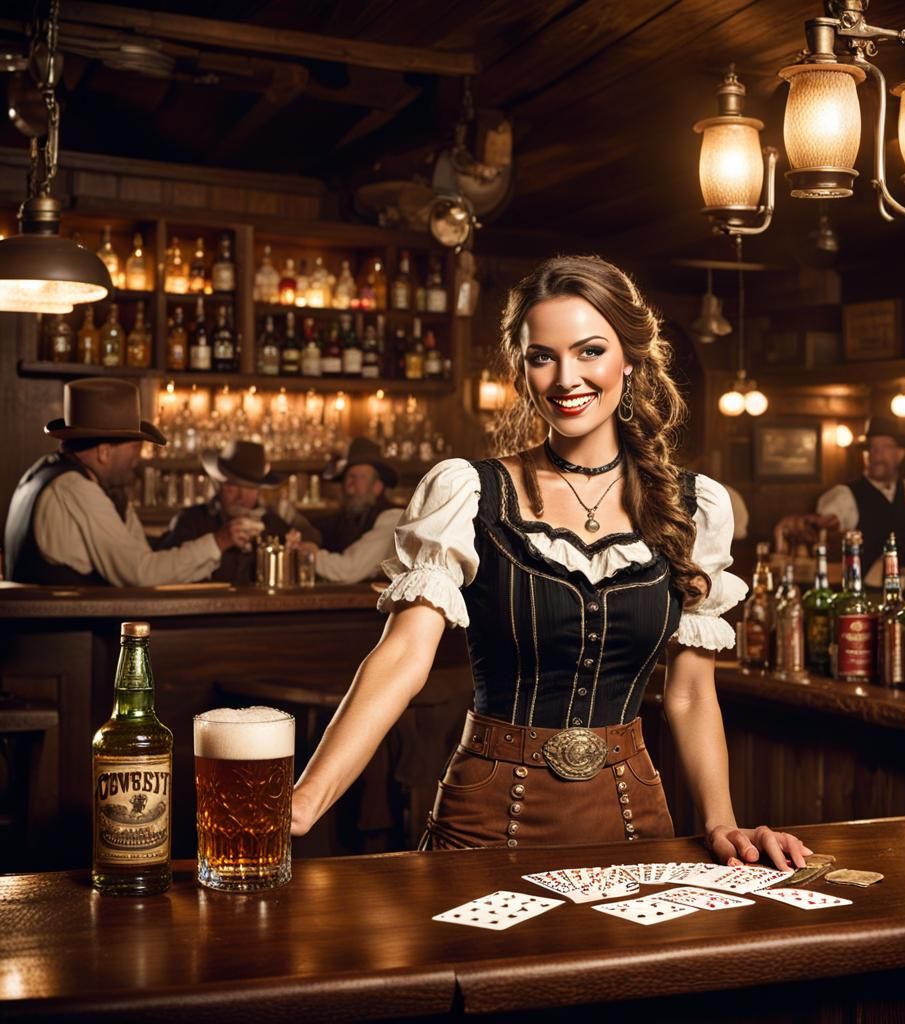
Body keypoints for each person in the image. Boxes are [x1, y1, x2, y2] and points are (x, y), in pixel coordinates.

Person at [291, 255, 812, 870]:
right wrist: (303, 802)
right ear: (522, 368)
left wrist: (722, 823)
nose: (567, 377)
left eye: (590, 351)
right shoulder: (468, 492)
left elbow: (692, 694)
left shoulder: (694, 506)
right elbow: (404, 656)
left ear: (630, 358)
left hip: (636, 817)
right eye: (543, 356)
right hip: (486, 819)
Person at [3, 377, 248, 586]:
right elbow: (140, 573)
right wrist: (218, 541)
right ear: (105, 452)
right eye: (134, 447)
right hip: (62, 639)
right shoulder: (74, 488)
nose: (138, 459)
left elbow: (141, 558)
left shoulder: (46, 473)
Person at [160, 439, 320, 585]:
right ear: (220, 484)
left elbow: (311, 537)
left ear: (259, 490)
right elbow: (164, 570)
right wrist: (220, 541)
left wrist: (300, 544)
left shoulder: (272, 524)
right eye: (233, 486)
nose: (241, 497)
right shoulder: (191, 520)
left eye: (249, 488)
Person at [816, 416, 905, 586]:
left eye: (885, 447)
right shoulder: (846, 494)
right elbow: (827, 530)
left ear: (900, 454)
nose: (877, 454)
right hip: (866, 592)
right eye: (872, 447)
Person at [304, 438, 405, 584]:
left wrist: (312, 555)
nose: (351, 485)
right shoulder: (345, 518)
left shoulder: (391, 518)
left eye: (360, 478)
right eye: (349, 477)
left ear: (377, 487)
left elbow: (349, 570)